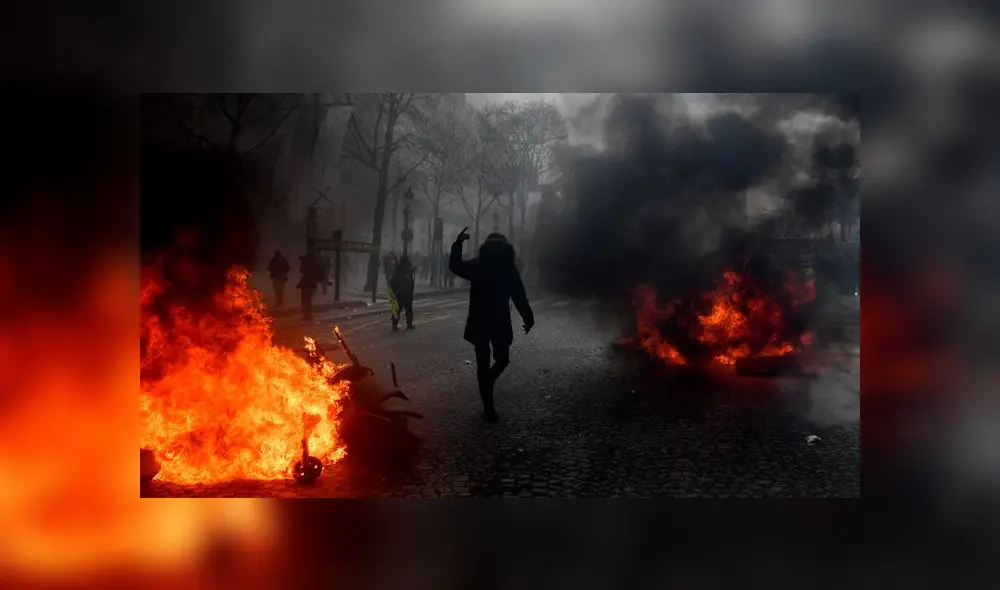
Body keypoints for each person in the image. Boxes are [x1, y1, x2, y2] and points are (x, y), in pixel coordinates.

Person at [449, 228, 534, 422]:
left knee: (482, 363)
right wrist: (528, 317)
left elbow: (455, 266)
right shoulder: (509, 268)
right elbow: (519, 296)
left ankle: (488, 406)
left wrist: (458, 243)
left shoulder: (478, 266)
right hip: (500, 319)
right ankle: (490, 380)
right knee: (502, 359)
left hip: (479, 319)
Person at [389, 255, 416, 331]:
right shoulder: (406, 270)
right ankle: (409, 324)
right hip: (406, 293)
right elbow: (408, 280)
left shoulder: (398, 269)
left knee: (397, 309)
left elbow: (393, 280)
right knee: (408, 310)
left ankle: (394, 325)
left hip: (398, 292)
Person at [297, 249, 321, 321]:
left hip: (306, 284)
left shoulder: (308, 263)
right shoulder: (315, 263)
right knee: (308, 300)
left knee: (305, 300)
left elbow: (301, 270)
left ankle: (306, 315)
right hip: (312, 284)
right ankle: (308, 315)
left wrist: (302, 262)